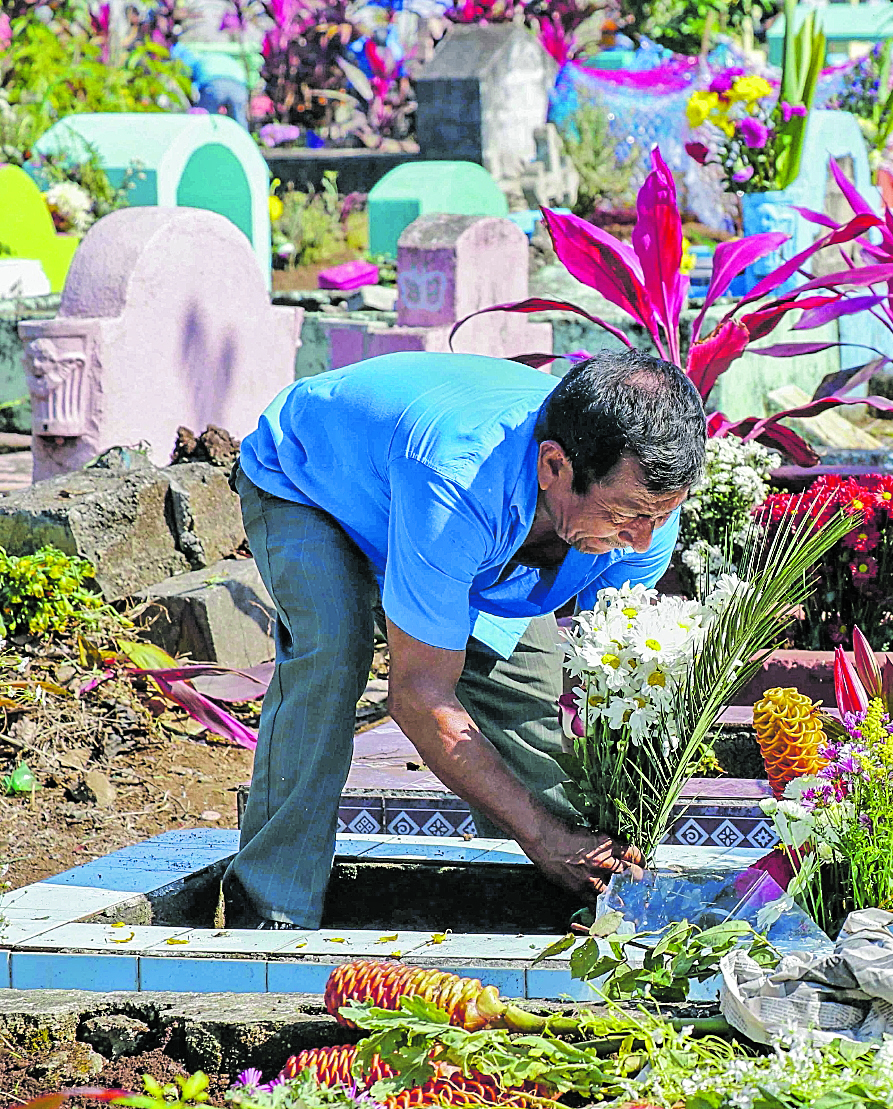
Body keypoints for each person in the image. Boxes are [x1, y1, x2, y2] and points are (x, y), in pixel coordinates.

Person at [223, 349, 707, 929]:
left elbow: (612, 680)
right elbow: (420, 694)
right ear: (554, 466)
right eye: (626, 515)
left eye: (659, 515)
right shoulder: (457, 482)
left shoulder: (641, 499)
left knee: (527, 704)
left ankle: (562, 905)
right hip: (316, 486)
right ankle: (272, 905)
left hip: (465, 535)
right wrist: (541, 833)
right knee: (333, 654)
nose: (641, 539)